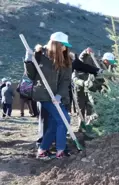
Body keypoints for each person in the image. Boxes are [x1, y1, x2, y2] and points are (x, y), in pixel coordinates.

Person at [24, 31, 73, 159]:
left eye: (66, 46)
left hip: (57, 97)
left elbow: (65, 80)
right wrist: (28, 60)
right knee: (64, 120)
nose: (64, 48)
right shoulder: (39, 55)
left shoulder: (66, 60)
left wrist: (59, 95)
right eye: (62, 45)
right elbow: (31, 75)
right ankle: (60, 150)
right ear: (55, 44)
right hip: (43, 95)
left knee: (54, 123)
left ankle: (42, 150)